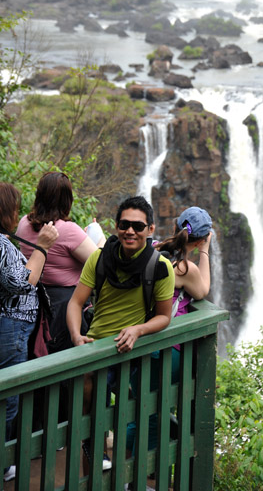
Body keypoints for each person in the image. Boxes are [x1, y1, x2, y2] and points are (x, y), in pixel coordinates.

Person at [66, 195, 175, 472]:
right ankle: (93, 473)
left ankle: (129, 477)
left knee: (136, 415)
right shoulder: (99, 259)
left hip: (133, 351)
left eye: (138, 226)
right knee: (91, 422)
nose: (130, 231)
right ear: (116, 226)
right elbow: (76, 303)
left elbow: (164, 316)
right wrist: (77, 336)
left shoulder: (159, 267)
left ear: (150, 230)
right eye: (125, 224)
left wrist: (138, 329)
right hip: (97, 348)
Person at [126, 205, 213, 464]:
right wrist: (205, 252)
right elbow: (203, 291)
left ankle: (129, 469)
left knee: (139, 406)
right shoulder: (186, 269)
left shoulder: (152, 252)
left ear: (175, 227)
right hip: (167, 348)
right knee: (154, 412)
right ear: (199, 240)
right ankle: (140, 474)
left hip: (140, 339)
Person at [0, 182, 58, 483]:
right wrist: (44, 246)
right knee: (8, 397)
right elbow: (21, 282)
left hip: (8, 325)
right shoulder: (1, 243)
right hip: (9, 326)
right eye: (14, 208)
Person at [17, 171, 105, 353]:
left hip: (33, 304)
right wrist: (100, 237)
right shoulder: (68, 230)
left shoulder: (23, 223)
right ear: (67, 200)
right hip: (65, 308)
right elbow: (101, 262)